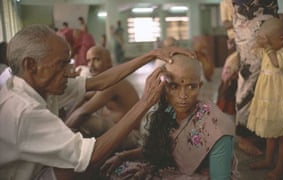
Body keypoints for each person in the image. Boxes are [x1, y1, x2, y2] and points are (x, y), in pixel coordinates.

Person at [0, 24, 194, 180]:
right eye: (61, 64)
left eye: (192, 86)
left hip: (36, 168)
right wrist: (144, 102)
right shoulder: (24, 111)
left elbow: (99, 82)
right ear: (30, 65)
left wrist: (150, 55)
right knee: (87, 157)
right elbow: (92, 154)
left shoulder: (41, 83)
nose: (69, 72)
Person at [100, 54, 238, 179]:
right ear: (163, 87)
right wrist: (122, 156)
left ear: (200, 86)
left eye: (191, 87)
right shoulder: (167, 111)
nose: (183, 96)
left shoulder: (217, 129)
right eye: (174, 86)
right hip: (169, 171)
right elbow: (158, 150)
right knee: (118, 170)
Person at [247, 17, 283, 180]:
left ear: (282, 39)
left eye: (268, 41)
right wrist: (260, 42)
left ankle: (280, 168)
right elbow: (253, 49)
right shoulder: (267, 50)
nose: (265, 46)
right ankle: (269, 160)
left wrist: (269, 48)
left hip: (282, 98)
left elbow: (276, 63)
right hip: (268, 97)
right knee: (271, 132)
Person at [65, 46, 141, 151]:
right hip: (118, 135)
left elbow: (82, 113)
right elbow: (83, 98)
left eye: (96, 59)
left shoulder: (113, 83)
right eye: (88, 61)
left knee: (86, 120)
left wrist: (61, 133)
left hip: (131, 137)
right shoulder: (101, 85)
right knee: (72, 112)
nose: (91, 65)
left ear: (109, 62)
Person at [232, 0, 279, 156]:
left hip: (266, 16)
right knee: (250, 77)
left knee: (268, 77)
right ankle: (246, 137)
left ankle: (262, 133)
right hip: (250, 17)